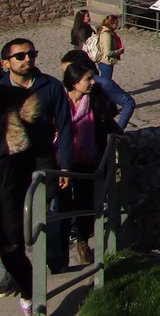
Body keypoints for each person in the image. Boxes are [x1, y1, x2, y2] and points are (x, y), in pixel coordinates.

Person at [1, 39, 72, 277]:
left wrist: (66, 167)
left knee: (49, 212)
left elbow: (65, 127)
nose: (27, 59)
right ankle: (9, 273)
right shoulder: (1, 90)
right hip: (10, 164)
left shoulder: (50, 86)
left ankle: (54, 261)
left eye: (31, 54)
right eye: (20, 56)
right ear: (6, 63)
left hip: (44, 160)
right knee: (7, 217)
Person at [59, 59, 119, 267]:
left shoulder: (96, 101)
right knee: (61, 207)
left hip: (89, 160)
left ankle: (82, 244)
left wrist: (123, 140)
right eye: (88, 79)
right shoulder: (60, 102)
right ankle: (58, 253)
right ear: (74, 82)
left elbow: (109, 124)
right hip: (61, 162)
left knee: (86, 204)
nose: (93, 82)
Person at [0, 80, 40, 313]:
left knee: (11, 247)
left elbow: (40, 144)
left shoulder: (16, 99)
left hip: (6, 177)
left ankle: (28, 298)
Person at [63, 45, 134, 131]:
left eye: (68, 70)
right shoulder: (61, 88)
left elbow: (128, 102)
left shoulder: (102, 84)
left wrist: (119, 128)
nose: (65, 76)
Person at [95, 14, 123, 82]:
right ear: (111, 24)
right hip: (106, 62)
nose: (117, 25)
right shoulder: (106, 35)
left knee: (104, 81)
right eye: (116, 23)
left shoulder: (102, 31)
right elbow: (107, 52)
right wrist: (119, 51)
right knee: (106, 83)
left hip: (103, 61)